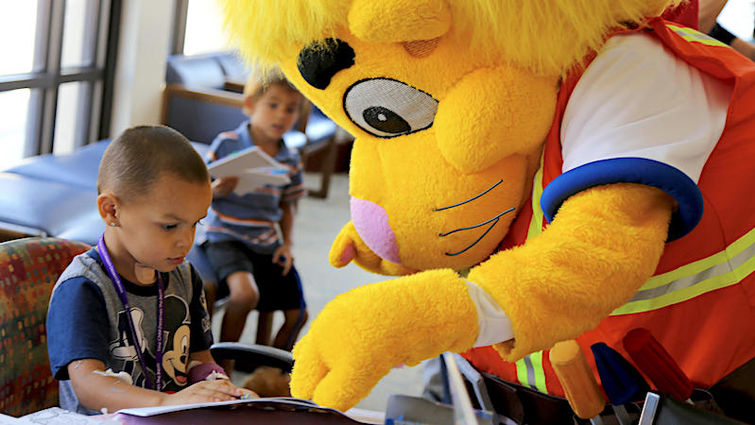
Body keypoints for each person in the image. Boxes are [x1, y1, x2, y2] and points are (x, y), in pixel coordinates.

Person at [46, 126, 255, 415]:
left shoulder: (185, 277)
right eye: (170, 226)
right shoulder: (83, 287)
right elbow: (88, 386)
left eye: (196, 222)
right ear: (112, 211)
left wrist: (220, 389)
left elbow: (198, 358)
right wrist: (166, 402)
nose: (186, 240)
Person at [199, 70, 308, 356]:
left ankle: (267, 367)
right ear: (250, 106)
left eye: (290, 109)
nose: (281, 115)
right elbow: (198, 193)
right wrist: (219, 189)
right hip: (226, 236)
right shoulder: (227, 143)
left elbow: (288, 204)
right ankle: (224, 363)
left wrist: (287, 243)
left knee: (299, 315)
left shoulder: (290, 157)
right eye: (273, 105)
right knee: (245, 295)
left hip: (267, 240)